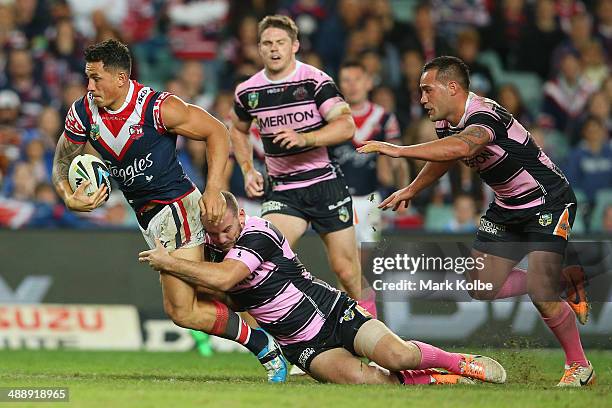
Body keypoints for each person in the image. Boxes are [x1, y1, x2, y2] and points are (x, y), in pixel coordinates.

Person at [51, 39, 287, 383]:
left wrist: (215, 188)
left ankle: (267, 344)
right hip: (147, 217)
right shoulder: (84, 112)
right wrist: (69, 196)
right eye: (88, 78)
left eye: (96, 79)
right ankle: (286, 322)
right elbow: (62, 161)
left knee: (182, 309)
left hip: (177, 207)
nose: (90, 86)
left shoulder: (155, 108)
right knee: (218, 295)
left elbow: (216, 131)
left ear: (120, 78)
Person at [358, 56, 595, 387]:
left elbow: (462, 145)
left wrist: (399, 151)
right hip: (506, 206)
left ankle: (579, 366)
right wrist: (412, 188)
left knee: (542, 295)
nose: (422, 99)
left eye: (427, 90)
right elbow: (448, 155)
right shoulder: (446, 122)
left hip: (548, 201)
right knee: (480, 285)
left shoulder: (484, 114)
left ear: (452, 87)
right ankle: (559, 281)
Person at [139, 191, 507, 386]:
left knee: (399, 357)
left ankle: (460, 363)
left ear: (240, 216)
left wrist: (169, 262)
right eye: (213, 232)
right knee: (374, 386)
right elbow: (209, 293)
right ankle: (436, 382)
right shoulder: (213, 248)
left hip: (331, 311)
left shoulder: (258, 232)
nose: (220, 238)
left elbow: (223, 280)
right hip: (301, 345)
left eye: (226, 229)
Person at [229, 16, 375, 321]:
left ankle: (374, 339)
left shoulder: (315, 81)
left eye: (281, 42)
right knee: (258, 262)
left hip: (324, 184)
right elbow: (238, 129)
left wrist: (305, 137)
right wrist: (247, 169)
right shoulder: (248, 91)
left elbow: (346, 126)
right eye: (267, 43)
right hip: (282, 189)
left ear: (294, 45)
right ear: (259, 48)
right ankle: (283, 348)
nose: (274, 49)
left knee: (347, 272)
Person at [334, 60, 408, 245]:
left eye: (357, 79)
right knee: (343, 263)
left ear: (368, 82)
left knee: (369, 258)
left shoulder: (384, 118)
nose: (352, 86)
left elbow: (399, 159)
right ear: (339, 85)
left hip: (373, 199)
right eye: (346, 80)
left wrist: (403, 192)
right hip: (336, 201)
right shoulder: (331, 118)